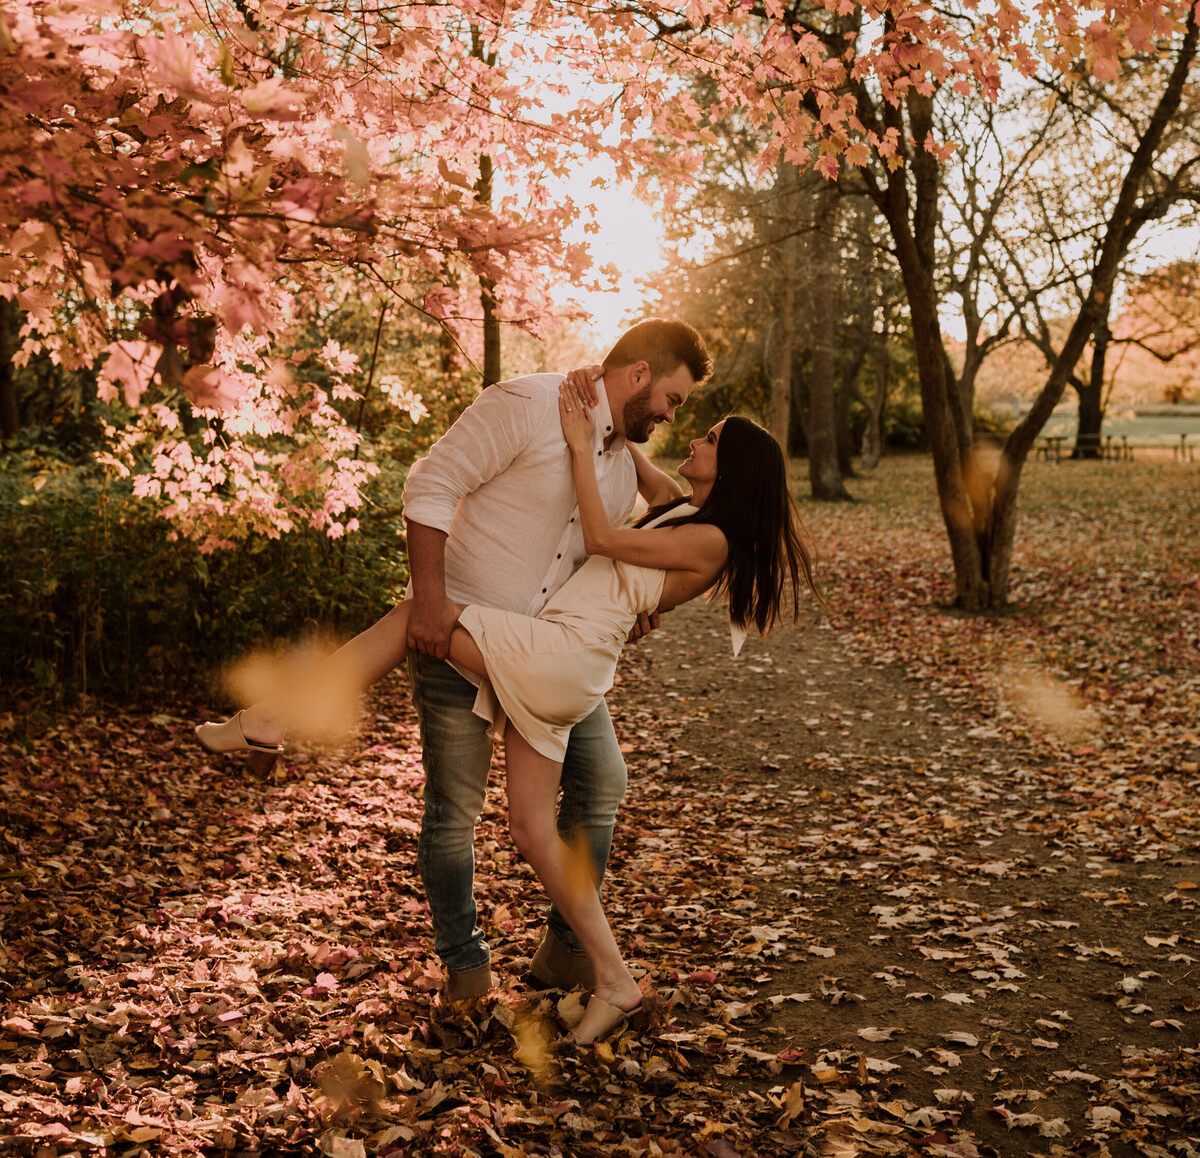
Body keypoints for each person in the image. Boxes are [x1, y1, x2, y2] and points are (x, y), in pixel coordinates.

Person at [199, 373, 819, 1046]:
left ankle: (273, 717)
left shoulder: (712, 541)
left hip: (561, 655)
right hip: (566, 664)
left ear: (734, 469)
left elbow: (606, 540)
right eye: (693, 421)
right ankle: (615, 981)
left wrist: (583, 445)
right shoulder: (683, 511)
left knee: (417, 613)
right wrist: (603, 414)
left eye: (710, 438)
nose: (692, 436)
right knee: (530, 829)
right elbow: (654, 481)